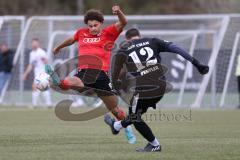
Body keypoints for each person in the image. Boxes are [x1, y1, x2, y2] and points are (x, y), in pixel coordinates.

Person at [104, 28, 209, 152]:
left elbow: (115, 76)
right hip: (161, 87)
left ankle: (155, 145)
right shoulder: (152, 41)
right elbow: (177, 49)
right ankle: (116, 126)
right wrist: (197, 64)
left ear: (127, 39)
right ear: (140, 36)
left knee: (135, 118)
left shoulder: (123, 50)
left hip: (143, 89)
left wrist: (115, 87)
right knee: (135, 115)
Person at [45, 6, 136, 143]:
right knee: (72, 83)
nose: (92, 28)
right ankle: (59, 81)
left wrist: (119, 13)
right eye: (90, 26)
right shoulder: (81, 33)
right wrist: (59, 47)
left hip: (101, 75)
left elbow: (123, 22)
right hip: (84, 71)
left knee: (115, 109)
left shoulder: (109, 33)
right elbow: (71, 40)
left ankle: (126, 129)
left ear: (101, 23)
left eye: (95, 25)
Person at [23, 38, 52, 108]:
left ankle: (35, 104)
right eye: (33, 43)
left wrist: (44, 60)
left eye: (36, 43)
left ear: (38, 44)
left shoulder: (41, 52)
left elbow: (46, 61)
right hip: (37, 73)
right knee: (41, 88)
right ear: (31, 44)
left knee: (35, 87)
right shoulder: (32, 53)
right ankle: (48, 104)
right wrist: (25, 73)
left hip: (43, 73)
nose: (34, 44)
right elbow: (31, 65)